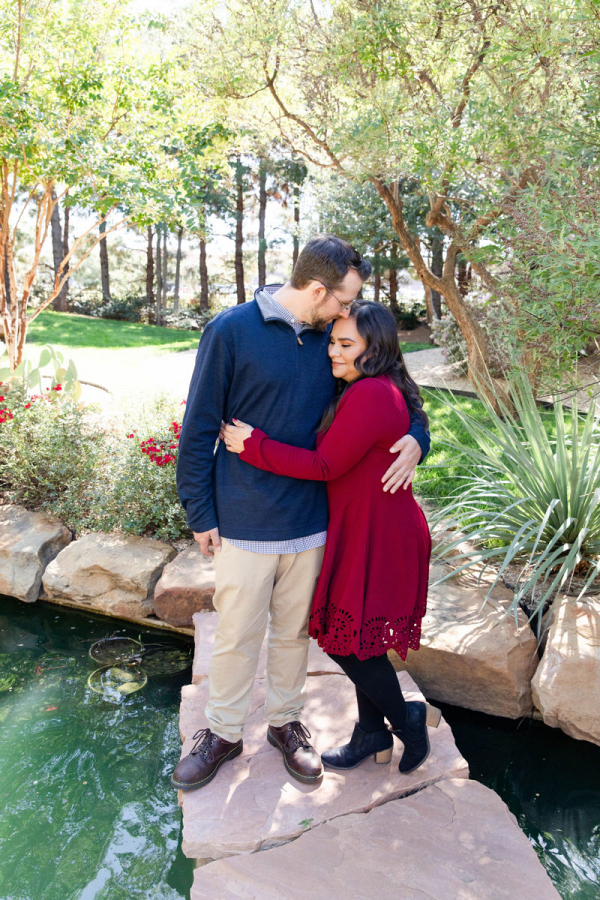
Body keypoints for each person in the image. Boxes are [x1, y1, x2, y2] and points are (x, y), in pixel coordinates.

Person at [172, 236, 430, 792]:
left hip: (314, 521)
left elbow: (398, 393)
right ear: (318, 290)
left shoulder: (335, 341)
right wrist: (199, 510)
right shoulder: (232, 330)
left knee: (293, 633)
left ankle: (287, 725)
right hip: (244, 517)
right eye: (344, 299)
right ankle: (221, 732)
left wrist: (417, 437)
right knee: (238, 633)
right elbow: (198, 427)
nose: (348, 312)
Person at [222, 300, 432, 775]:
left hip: (380, 534)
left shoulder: (371, 393)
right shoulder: (369, 386)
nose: (332, 353)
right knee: (361, 638)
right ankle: (371, 734)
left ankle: (406, 718)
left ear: (373, 350)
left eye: (345, 345)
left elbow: (324, 466)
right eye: (332, 342)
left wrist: (253, 446)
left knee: (343, 641)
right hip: (365, 527)